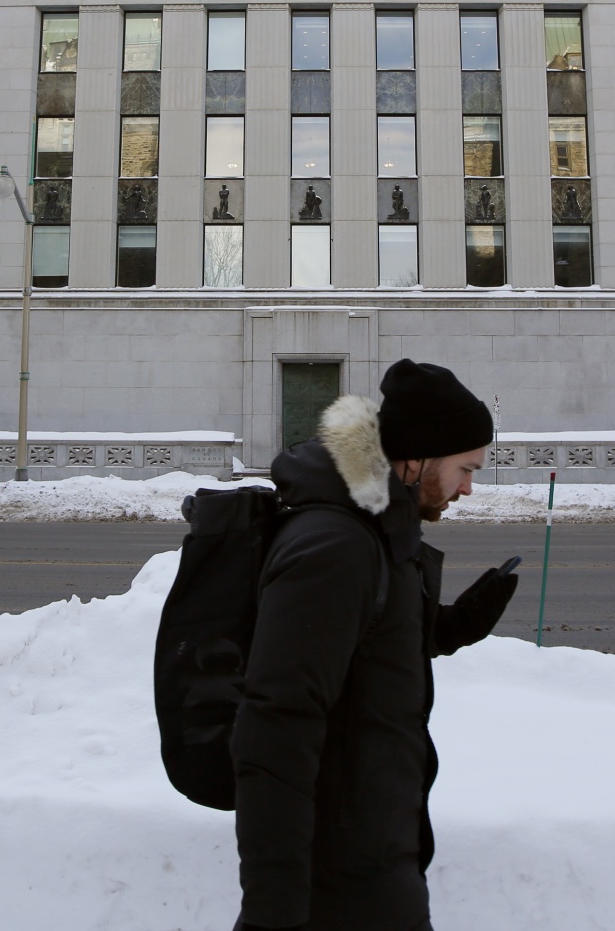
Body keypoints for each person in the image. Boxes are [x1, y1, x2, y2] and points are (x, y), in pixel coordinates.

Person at [232, 358, 519, 931]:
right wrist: (274, 908)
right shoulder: (336, 544)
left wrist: (456, 623)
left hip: (375, 850)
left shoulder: (377, 528)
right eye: (465, 469)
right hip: (337, 877)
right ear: (416, 459)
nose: (469, 488)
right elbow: (275, 725)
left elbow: (364, 645)